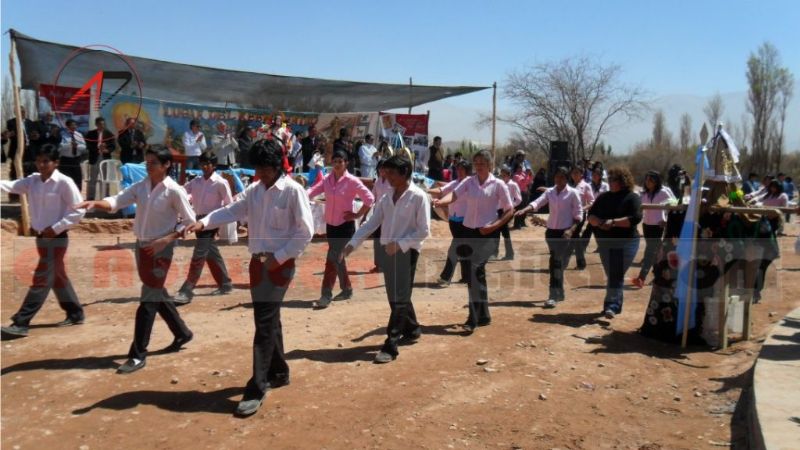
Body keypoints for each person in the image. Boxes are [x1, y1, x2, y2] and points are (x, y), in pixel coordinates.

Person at [187, 139, 314, 416]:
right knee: (268, 318)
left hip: (279, 264)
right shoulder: (254, 191)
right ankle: (279, 371)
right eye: (257, 168)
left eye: (264, 168)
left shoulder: (293, 191)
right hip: (257, 264)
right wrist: (205, 222)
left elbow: (306, 232)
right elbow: (232, 210)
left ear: (277, 165)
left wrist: (278, 257)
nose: (260, 173)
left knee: (265, 322)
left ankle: (257, 387)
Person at [76, 147, 196, 374]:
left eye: (152, 162)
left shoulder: (174, 191)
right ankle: (182, 332)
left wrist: (167, 239)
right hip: (142, 247)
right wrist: (94, 203)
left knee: (148, 300)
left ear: (166, 165)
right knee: (156, 292)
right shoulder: (141, 187)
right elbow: (116, 201)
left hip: (161, 250)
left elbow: (189, 222)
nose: (148, 166)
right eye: (147, 162)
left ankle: (138, 354)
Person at [343, 155, 430, 363]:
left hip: (407, 252)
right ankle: (412, 328)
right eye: (386, 172)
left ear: (404, 173)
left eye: (391, 172)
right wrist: (352, 243)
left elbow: (424, 230)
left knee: (399, 297)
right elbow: (372, 223)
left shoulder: (419, 196)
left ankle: (390, 345)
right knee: (396, 296)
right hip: (387, 251)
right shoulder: (385, 197)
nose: (387, 176)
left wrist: (399, 244)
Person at [0, 144, 86, 337]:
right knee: (57, 276)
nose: (41, 164)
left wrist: (55, 228)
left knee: (41, 279)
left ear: (56, 162)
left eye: (46, 161)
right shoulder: (32, 181)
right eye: (39, 160)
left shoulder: (64, 182)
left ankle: (21, 322)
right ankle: (75, 312)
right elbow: (11, 186)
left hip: (56, 239)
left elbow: (79, 210)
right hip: (41, 237)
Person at [433, 150, 514, 333]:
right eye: (476, 162)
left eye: (482, 163)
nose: (478, 166)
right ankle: (484, 314)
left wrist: (495, 226)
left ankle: (473, 318)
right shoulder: (469, 182)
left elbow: (510, 210)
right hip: (468, 232)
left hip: (489, 234)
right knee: (475, 275)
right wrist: (441, 202)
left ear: (490, 165)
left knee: (474, 270)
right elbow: (454, 195)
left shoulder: (499, 184)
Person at [307, 150, 375, 308]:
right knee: (338, 258)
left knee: (332, 259)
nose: (337, 164)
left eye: (340, 161)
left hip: (345, 226)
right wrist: (299, 195)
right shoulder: (327, 180)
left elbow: (369, 199)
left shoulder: (352, 181)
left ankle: (326, 294)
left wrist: (357, 215)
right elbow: (311, 191)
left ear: (346, 163)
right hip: (331, 226)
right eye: (335, 161)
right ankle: (347, 288)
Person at [172, 152, 234, 305]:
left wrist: (223, 222)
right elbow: (182, 192)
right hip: (198, 220)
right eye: (202, 164)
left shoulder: (220, 182)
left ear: (214, 165)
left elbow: (229, 204)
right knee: (210, 253)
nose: (205, 167)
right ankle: (225, 283)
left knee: (199, 254)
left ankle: (187, 289)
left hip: (212, 221)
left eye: (208, 164)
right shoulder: (196, 182)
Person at [515, 166, 582, 308]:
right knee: (556, 263)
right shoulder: (550, 192)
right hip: (551, 232)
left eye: (562, 177)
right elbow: (537, 203)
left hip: (565, 233)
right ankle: (560, 292)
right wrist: (524, 210)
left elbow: (578, 216)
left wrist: (571, 231)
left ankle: (553, 296)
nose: (559, 179)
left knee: (555, 263)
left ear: (567, 178)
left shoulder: (573, 193)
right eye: (557, 176)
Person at [587, 167, 642, 319]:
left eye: (614, 180)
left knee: (615, 273)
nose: (610, 182)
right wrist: (598, 222)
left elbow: (635, 218)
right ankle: (614, 305)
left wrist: (613, 223)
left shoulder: (632, 197)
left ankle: (611, 306)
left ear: (623, 181)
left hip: (626, 242)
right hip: (604, 242)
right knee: (613, 274)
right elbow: (590, 215)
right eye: (609, 180)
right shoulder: (603, 197)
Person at [429, 160, 472, 287]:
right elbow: (442, 190)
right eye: (457, 169)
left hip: (465, 221)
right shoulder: (456, 182)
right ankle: (467, 276)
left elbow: (450, 195)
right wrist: (425, 189)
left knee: (454, 248)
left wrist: (441, 202)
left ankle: (445, 277)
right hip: (454, 220)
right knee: (463, 249)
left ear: (467, 170)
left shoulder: (469, 183)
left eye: (461, 169)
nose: (458, 171)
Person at [632, 171, 675, 288]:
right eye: (647, 179)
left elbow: (674, 204)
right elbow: (636, 202)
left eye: (650, 180)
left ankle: (641, 277)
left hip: (658, 225)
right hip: (646, 224)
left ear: (656, 181)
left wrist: (666, 221)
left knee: (649, 251)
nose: (648, 182)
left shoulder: (663, 192)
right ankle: (660, 276)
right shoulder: (644, 193)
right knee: (656, 251)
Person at [753, 180, 788, 303]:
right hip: (763, 223)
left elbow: (784, 210)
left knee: (760, 267)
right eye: (771, 187)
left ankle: (756, 292)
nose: (772, 189)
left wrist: (774, 214)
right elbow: (758, 200)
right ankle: (755, 292)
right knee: (758, 267)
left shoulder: (782, 196)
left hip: (771, 223)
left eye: (774, 187)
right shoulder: (767, 195)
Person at [565, 165, 595, 270]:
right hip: (569, 214)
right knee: (575, 238)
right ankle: (581, 263)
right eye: (573, 173)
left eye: (577, 173)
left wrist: (583, 208)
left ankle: (564, 263)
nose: (574, 175)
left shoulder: (586, 186)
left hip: (580, 215)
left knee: (572, 238)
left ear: (582, 174)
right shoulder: (569, 185)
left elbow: (592, 201)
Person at [368, 159, 392, 273]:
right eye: (380, 168)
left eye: (384, 168)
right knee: (377, 240)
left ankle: (387, 264)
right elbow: (372, 198)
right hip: (377, 214)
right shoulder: (377, 182)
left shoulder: (392, 182)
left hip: (389, 215)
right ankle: (378, 264)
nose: (382, 170)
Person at [85, 117, 117, 200]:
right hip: (94, 158)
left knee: (105, 178)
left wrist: (107, 150)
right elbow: (88, 145)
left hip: (105, 158)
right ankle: (91, 197)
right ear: (96, 124)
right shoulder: (91, 134)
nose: (102, 126)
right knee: (92, 178)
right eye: (100, 124)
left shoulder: (109, 134)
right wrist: (97, 148)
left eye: (103, 124)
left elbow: (113, 146)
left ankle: (106, 196)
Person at [494, 166, 522, 260]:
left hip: (507, 210)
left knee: (503, 231)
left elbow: (518, 199)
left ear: (509, 175)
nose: (502, 177)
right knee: (498, 231)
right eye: (501, 175)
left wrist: (511, 206)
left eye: (504, 175)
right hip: (498, 210)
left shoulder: (513, 185)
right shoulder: (499, 184)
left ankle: (508, 253)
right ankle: (499, 253)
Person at [58, 119, 87, 190]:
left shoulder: (79, 135)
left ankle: (77, 195)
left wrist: (77, 146)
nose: (74, 127)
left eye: (75, 125)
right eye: (72, 125)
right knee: (65, 179)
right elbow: (60, 147)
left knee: (77, 179)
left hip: (76, 159)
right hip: (65, 159)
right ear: (67, 126)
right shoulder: (62, 134)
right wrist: (70, 145)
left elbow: (84, 147)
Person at [512, 162, 532, 229]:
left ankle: (522, 222)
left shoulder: (523, 174)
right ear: (516, 168)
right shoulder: (515, 176)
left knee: (525, 208)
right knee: (519, 208)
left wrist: (530, 175)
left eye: (521, 167)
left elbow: (529, 181)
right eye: (519, 167)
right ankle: (517, 224)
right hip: (519, 193)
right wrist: (526, 175)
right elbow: (523, 183)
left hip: (525, 193)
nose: (520, 169)